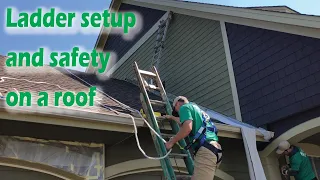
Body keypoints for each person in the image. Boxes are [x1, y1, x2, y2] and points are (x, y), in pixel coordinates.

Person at [163, 96, 222, 180]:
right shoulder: (196, 109)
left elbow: (187, 127)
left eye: (176, 111)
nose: (178, 113)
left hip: (206, 152)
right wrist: (172, 117)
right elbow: (183, 121)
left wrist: (171, 142)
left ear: (177, 104)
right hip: (215, 150)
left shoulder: (184, 107)